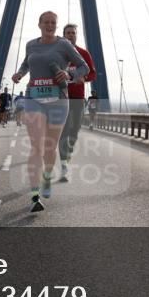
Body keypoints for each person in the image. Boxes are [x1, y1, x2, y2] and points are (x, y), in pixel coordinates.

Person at [12, 11, 89, 212]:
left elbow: (84, 67)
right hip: (34, 99)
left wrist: (69, 75)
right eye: (46, 22)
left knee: (50, 147)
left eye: (53, 23)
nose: (49, 25)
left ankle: (46, 177)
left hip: (58, 100)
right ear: (39, 24)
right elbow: (26, 63)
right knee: (36, 146)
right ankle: (35, 195)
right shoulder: (31, 44)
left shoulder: (64, 45)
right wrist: (20, 73)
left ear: (56, 25)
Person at [58, 23, 97, 181]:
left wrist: (84, 78)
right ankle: (64, 166)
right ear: (63, 35)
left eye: (73, 33)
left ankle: (68, 154)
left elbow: (93, 74)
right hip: (61, 97)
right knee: (64, 131)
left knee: (74, 131)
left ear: (76, 35)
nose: (70, 35)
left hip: (78, 98)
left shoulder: (83, 53)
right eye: (68, 33)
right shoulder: (58, 53)